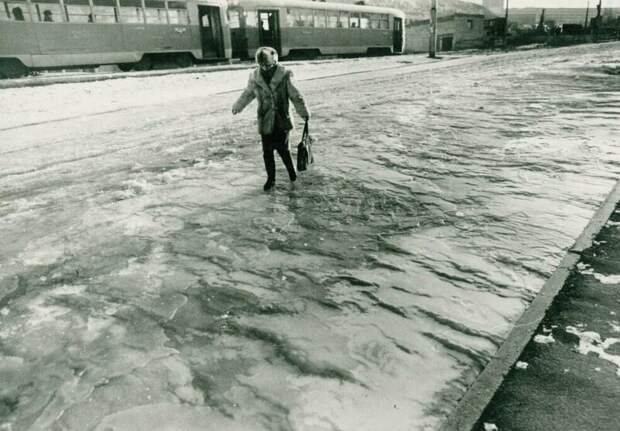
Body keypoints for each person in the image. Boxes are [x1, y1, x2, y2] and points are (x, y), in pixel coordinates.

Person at [232, 46, 310, 191]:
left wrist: (303, 112)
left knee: (283, 151)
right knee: (267, 152)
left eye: (268, 65)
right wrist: (238, 105)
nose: (265, 68)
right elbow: (248, 93)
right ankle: (271, 179)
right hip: (265, 119)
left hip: (281, 119)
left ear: (275, 61)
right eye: (262, 65)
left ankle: (292, 175)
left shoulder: (285, 74)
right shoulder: (255, 76)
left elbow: (295, 95)